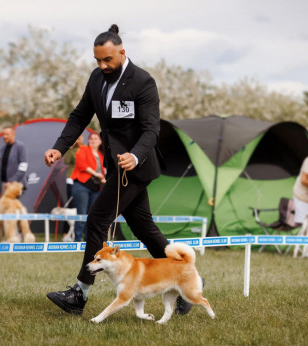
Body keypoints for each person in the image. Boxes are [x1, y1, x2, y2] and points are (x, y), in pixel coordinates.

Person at [44, 25, 193, 316]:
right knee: (143, 228)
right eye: (97, 60)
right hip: (115, 167)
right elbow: (79, 116)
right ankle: (186, 282)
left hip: (136, 166)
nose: (102, 65)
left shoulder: (143, 82)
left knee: (97, 219)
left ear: (122, 53)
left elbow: (152, 129)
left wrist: (135, 156)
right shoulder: (96, 78)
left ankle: (79, 294)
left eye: (108, 60)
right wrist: (59, 147)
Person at [70, 132, 106, 242]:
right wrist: (96, 174)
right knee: (82, 214)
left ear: (100, 142)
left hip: (95, 188)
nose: (93, 140)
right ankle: (77, 240)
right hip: (81, 186)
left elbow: (104, 171)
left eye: (96, 138)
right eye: (91, 138)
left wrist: (103, 178)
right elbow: (82, 165)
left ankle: (88, 240)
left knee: (92, 216)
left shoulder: (101, 154)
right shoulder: (83, 150)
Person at [0, 125, 28, 193]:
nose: (4, 136)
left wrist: (11, 181)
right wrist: (0, 188)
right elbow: (2, 168)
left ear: (13, 134)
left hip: (16, 186)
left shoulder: (20, 147)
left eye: (7, 134)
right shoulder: (2, 149)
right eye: (3, 134)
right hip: (5, 186)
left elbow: (23, 168)